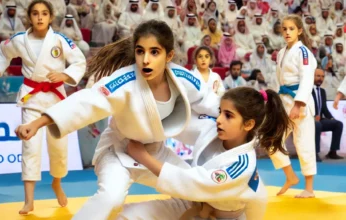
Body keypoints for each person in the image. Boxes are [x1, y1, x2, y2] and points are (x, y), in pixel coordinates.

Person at [15, 20, 220, 220]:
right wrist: (37, 123)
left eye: (154, 52)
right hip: (118, 152)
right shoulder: (124, 80)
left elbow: (210, 102)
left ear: (169, 55)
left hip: (154, 152)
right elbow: (86, 102)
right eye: (140, 51)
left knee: (198, 191)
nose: (145, 60)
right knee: (110, 199)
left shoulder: (182, 77)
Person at [119, 87, 292, 220]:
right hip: (195, 200)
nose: (219, 119)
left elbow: (193, 182)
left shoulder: (242, 166)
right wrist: (147, 113)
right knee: (124, 215)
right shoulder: (213, 129)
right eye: (220, 112)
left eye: (228, 116)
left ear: (248, 125)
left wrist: (142, 156)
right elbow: (181, 126)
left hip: (221, 214)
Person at [0, 0, 86, 214]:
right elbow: (3, 53)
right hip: (31, 98)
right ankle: (29, 200)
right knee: (30, 148)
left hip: (57, 99)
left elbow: (80, 61)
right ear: (29, 18)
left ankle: (56, 182)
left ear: (50, 17)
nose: (40, 17)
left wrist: (65, 75)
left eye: (44, 14)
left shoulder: (60, 39)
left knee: (58, 148)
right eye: (35, 14)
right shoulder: (20, 40)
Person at [271, 14, 317, 198]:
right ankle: (290, 176)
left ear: (299, 31)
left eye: (291, 29)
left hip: (301, 104)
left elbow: (307, 79)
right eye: (285, 29)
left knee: (303, 143)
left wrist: (298, 104)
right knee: (271, 140)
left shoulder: (303, 52)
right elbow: (279, 80)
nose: (287, 32)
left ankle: (309, 189)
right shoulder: (282, 52)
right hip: (284, 102)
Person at [312, 69, 343, 161]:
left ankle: (332, 152)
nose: (320, 79)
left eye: (322, 76)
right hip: (308, 120)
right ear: (312, 76)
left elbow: (324, 109)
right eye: (318, 76)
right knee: (317, 125)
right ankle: (315, 153)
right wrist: (313, 117)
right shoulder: (306, 90)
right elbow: (303, 107)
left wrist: (331, 118)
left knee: (338, 124)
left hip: (320, 120)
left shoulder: (322, 92)